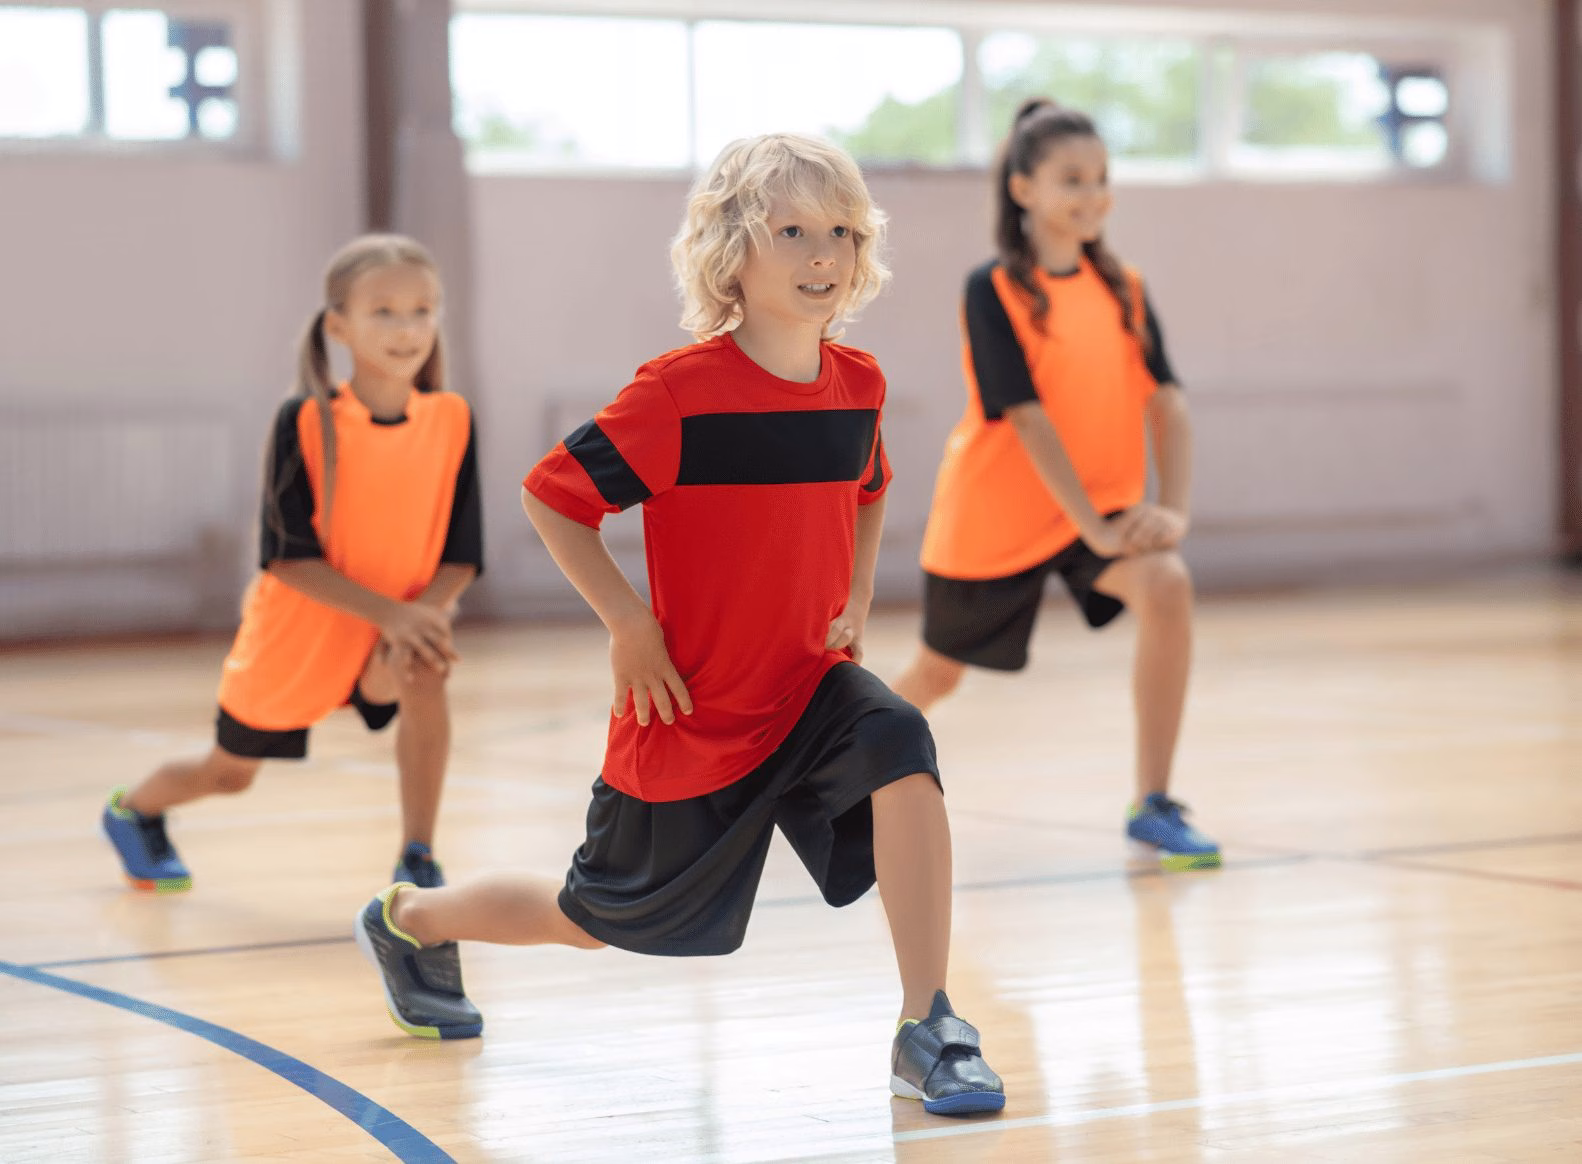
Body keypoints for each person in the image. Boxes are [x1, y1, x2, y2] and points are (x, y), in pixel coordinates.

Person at [354, 134, 1005, 1116]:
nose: (821, 254)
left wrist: (860, 594)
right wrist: (629, 625)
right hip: (692, 715)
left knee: (901, 744)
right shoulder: (678, 394)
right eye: (791, 231)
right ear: (732, 249)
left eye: (839, 231)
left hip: (807, 688)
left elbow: (869, 486)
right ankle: (411, 919)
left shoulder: (856, 384)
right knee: (588, 921)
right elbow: (552, 499)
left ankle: (931, 1024)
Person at [891, 99, 1220, 871]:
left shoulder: (1125, 290)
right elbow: (1028, 420)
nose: (1093, 195)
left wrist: (1171, 509)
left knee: (1167, 582)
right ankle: (831, 770)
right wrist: (1102, 529)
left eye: (1102, 179)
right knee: (938, 673)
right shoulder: (993, 289)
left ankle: (1154, 802)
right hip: (996, 515)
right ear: (1023, 188)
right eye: (1072, 178)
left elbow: (1169, 404)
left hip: (1094, 509)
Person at [101, 233, 482, 893]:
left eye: (423, 310)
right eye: (384, 310)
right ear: (338, 325)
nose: (407, 327)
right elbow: (289, 559)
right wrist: (397, 614)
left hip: (390, 630)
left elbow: (462, 552)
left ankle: (417, 856)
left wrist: (421, 617)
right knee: (228, 774)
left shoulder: (451, 419)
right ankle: (134, 811)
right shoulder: (305, 420)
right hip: (299, 632)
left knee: (426, 673)